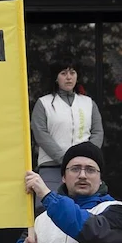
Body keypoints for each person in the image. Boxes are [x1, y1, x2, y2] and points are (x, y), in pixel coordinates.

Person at [30, 63, 103, 198]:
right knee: (49, 210)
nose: (69, 77)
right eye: (63, 73)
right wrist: (66, 159)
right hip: (51, 168)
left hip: (83, 170)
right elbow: (41, 134)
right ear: (56, 78)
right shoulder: (44, 103)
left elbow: (97, 132)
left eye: (72, 73)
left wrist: (87, 156)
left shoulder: (88, 103)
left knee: (84, 210)